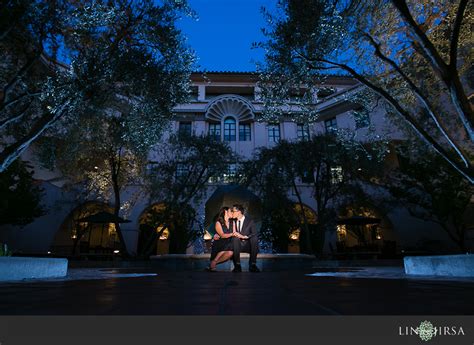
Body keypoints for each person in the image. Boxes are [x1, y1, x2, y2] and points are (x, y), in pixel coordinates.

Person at [206, 206, 243, 272]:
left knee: (230, 253)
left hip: (228, 243)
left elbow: (234, 232)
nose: (232, 212)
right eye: (230, 211)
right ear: (226, 212)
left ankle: (213, 263)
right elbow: (222, 235)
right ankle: (214, 261)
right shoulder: (218, 222)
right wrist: (232, 234)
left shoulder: (232, 222)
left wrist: (240, 236)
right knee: (229, 243)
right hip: (220, 243)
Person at [230, 204, 260, 272]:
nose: (232, 213)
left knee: (254, 238)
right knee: (235, 239)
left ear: (239, 212)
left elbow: (254, 233)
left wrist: (244, 237)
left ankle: (253, 265)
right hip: (236, 245)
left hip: (248, 245)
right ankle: (237, 266)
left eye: (233, 211)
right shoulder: (231, 221)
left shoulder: (250, 221)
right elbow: (226, 231)